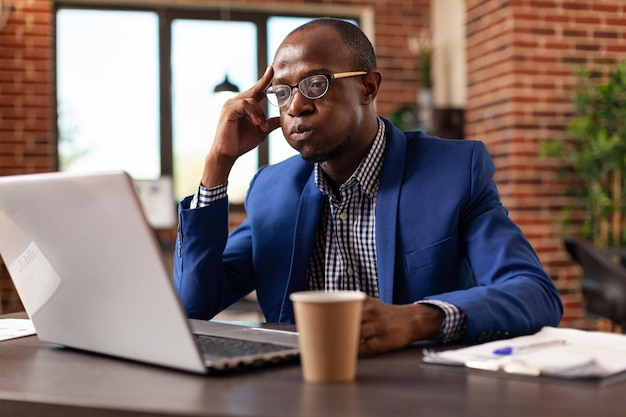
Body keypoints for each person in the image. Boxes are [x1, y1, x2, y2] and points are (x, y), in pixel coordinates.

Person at [173, 18, 563, 355]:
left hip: (423, 392)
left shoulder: (454, 171)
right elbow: (193, 305)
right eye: (283, 92)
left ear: (368, 88)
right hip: (294, 390)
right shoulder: (272, 189)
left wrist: (416, 319)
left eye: (315, 84)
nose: (295, 107)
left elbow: (532, 292)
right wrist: (217, 166)